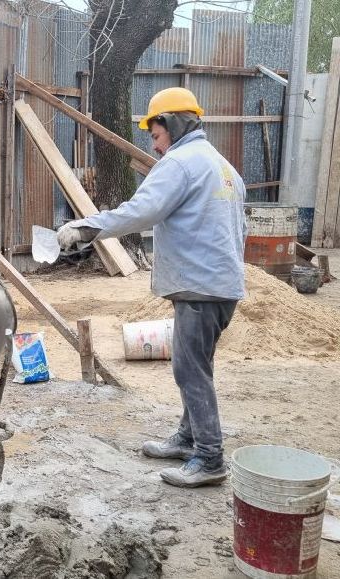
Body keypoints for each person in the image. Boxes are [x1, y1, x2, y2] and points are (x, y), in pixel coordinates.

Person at [57, 87, 246, 488]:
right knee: (196, 364)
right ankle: (188, 437)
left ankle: (210, 458)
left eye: (156, 134)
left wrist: (85, 228)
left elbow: (141, 210)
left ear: (174, 123)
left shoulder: (180, 164)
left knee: (189, 369)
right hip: (219, 284)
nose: (156, 146)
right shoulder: (222, 166)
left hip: (200, 286)